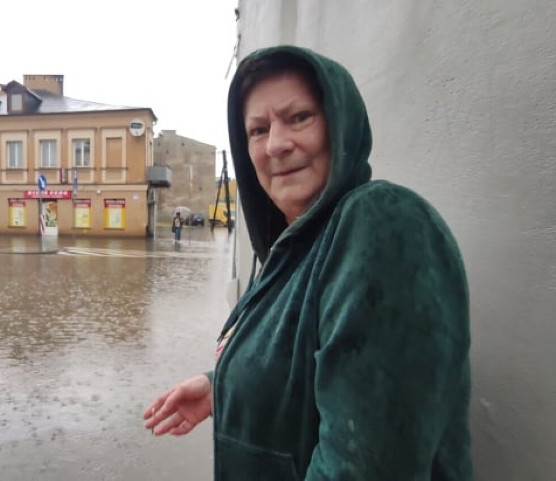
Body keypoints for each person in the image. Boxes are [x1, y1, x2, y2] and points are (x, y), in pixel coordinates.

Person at [143, 45, 472, 480]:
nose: (277, 145)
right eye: (258, 130)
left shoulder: (380, 223)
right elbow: (308, 370)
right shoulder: (295, 248)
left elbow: (363, 467)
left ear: (340, 124)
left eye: (299, 118)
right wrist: (223, 385)